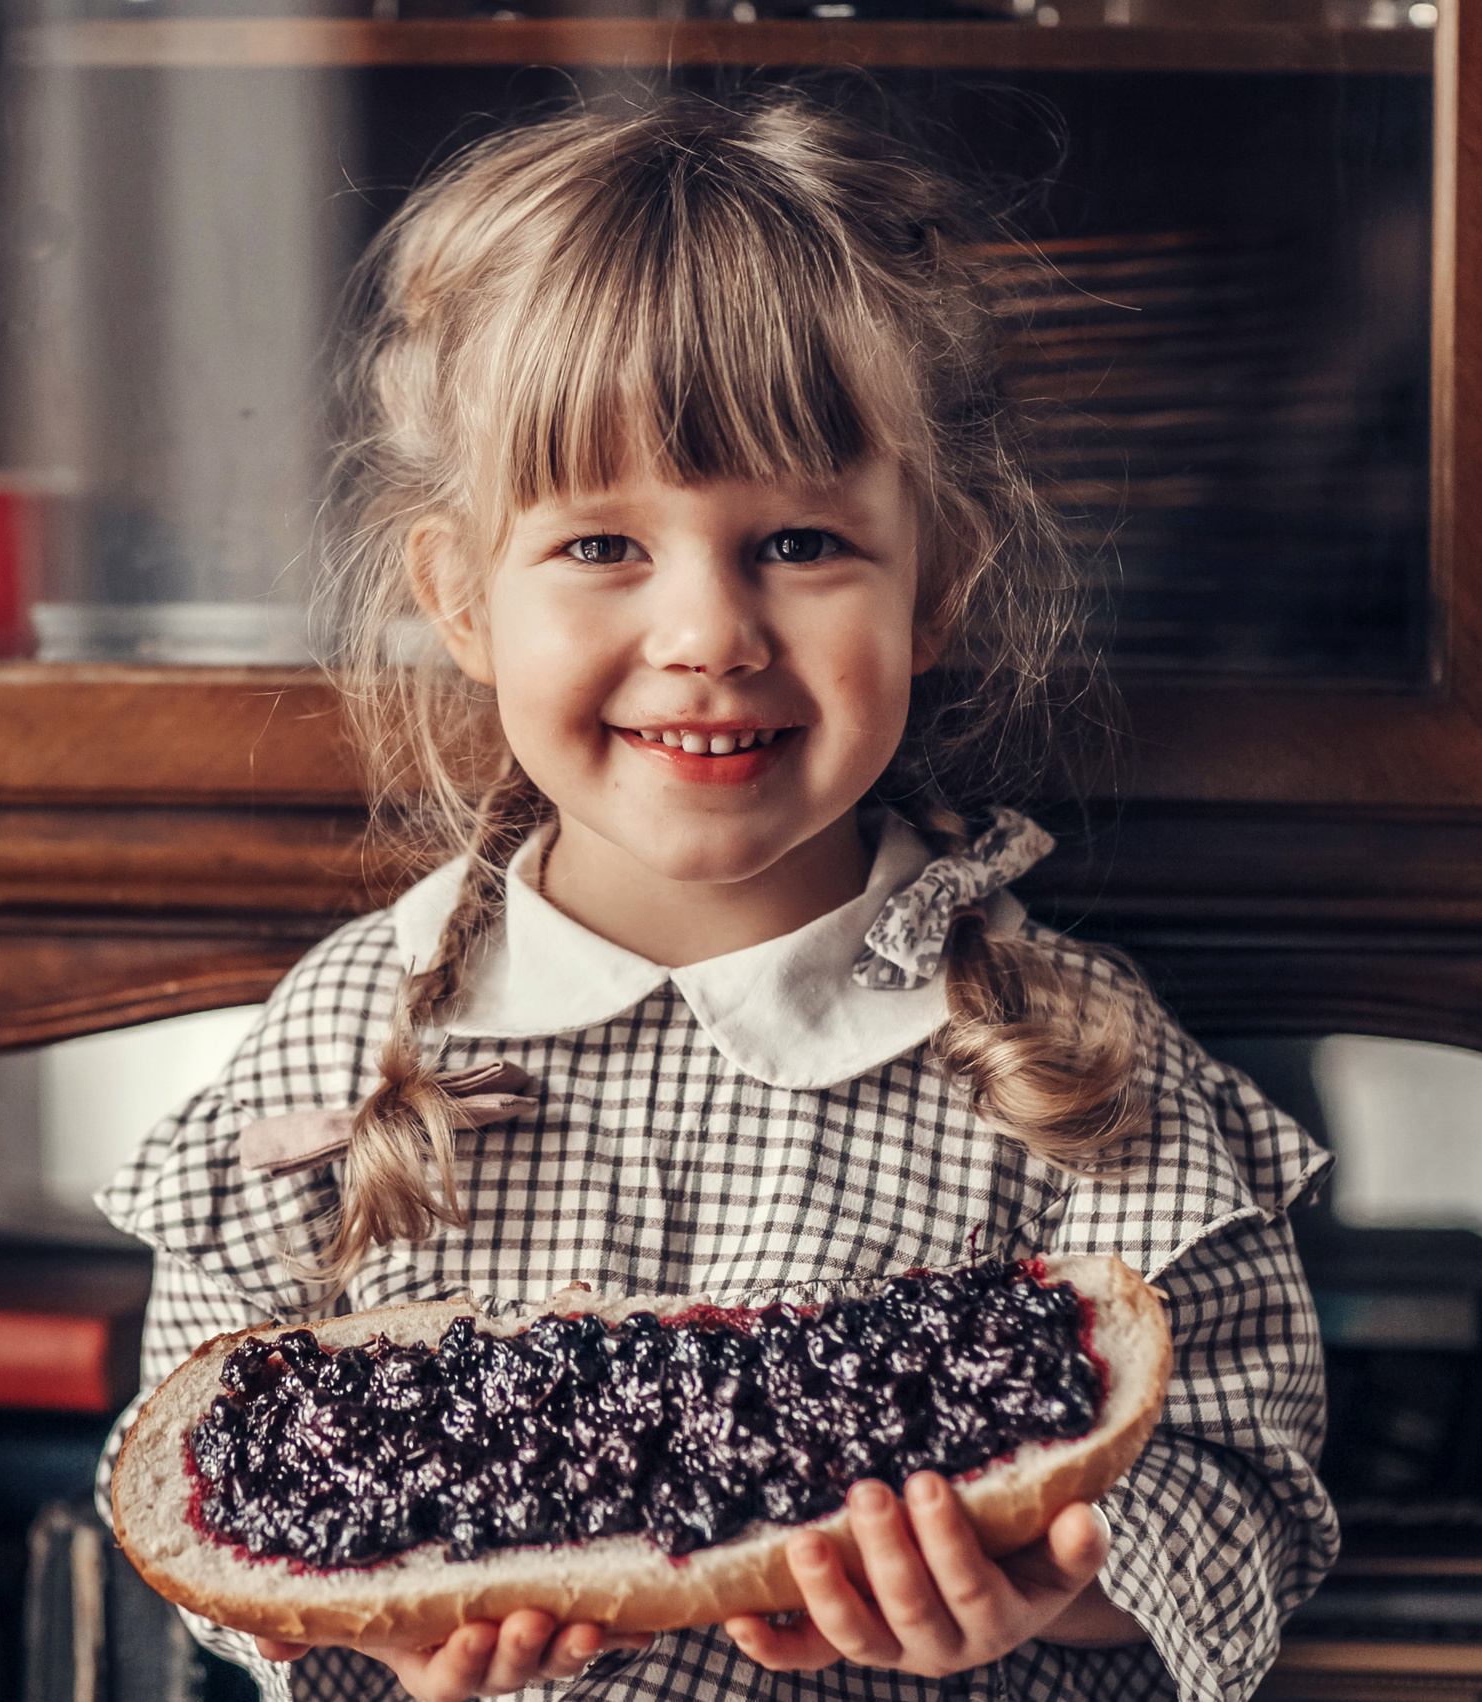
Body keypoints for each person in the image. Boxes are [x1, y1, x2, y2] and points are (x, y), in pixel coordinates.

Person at [93, 92, 1336, 1702]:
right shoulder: (339, 1033)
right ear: (460, 597)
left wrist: (1048, 1584)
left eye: (800, 539)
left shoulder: (1077, 1060)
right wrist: (380, 1634)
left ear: (939, 578)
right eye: (605, 541)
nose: (709, 632)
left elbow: (1252, 1494)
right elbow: (202, 1482)